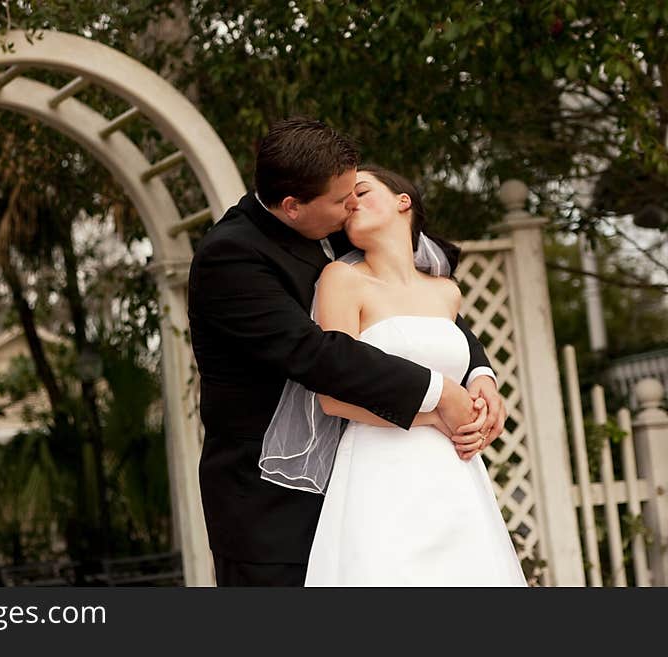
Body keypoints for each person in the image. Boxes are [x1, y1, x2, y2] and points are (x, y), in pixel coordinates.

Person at [187, 117, 506, 586]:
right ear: (293, 206)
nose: (353, 205)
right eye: (343, 200)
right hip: (274, 508)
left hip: (367, 485)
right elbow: (317, 355)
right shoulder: (230, 258)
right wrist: (438, 396)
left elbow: (420, 309)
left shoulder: (336, 227)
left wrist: (479, 374)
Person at [263, 164, 526, 585]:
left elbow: (460, 356)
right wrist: (435, 415)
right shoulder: (342, 281)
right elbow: (331, 396)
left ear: (403, 201)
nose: (352, 203)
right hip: (380, 470)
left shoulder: (446, 292)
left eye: (362, 191)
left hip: (454, 473)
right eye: (345, 201)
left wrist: (482, 384)